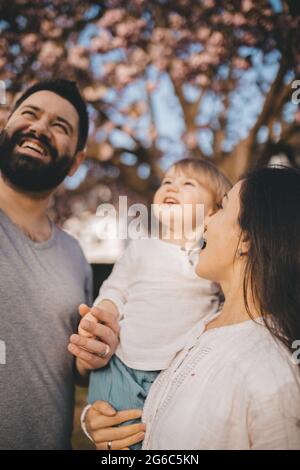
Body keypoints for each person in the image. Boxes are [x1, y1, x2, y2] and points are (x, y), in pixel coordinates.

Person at [83, 166, 300, 450]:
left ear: (246, 238)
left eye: (221, 208)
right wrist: (97, 423)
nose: (207, 224)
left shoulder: (274, 376)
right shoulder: (202, 329)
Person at [75, 158, 231, 450]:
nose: (172, 186)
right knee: (121, 440)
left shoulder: (212, 262)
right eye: (167, 182)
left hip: (176, 372)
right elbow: (115, 289)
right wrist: (104, 313)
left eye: (188, 183)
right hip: (120, 366)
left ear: (212, 212)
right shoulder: (142, 248)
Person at [0, 79, 119, 450]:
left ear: (76, 162)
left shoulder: (75, 258)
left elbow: (74, 371)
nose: (39, 127)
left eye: (59, 126)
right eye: (30, 115)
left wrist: (93, 354)